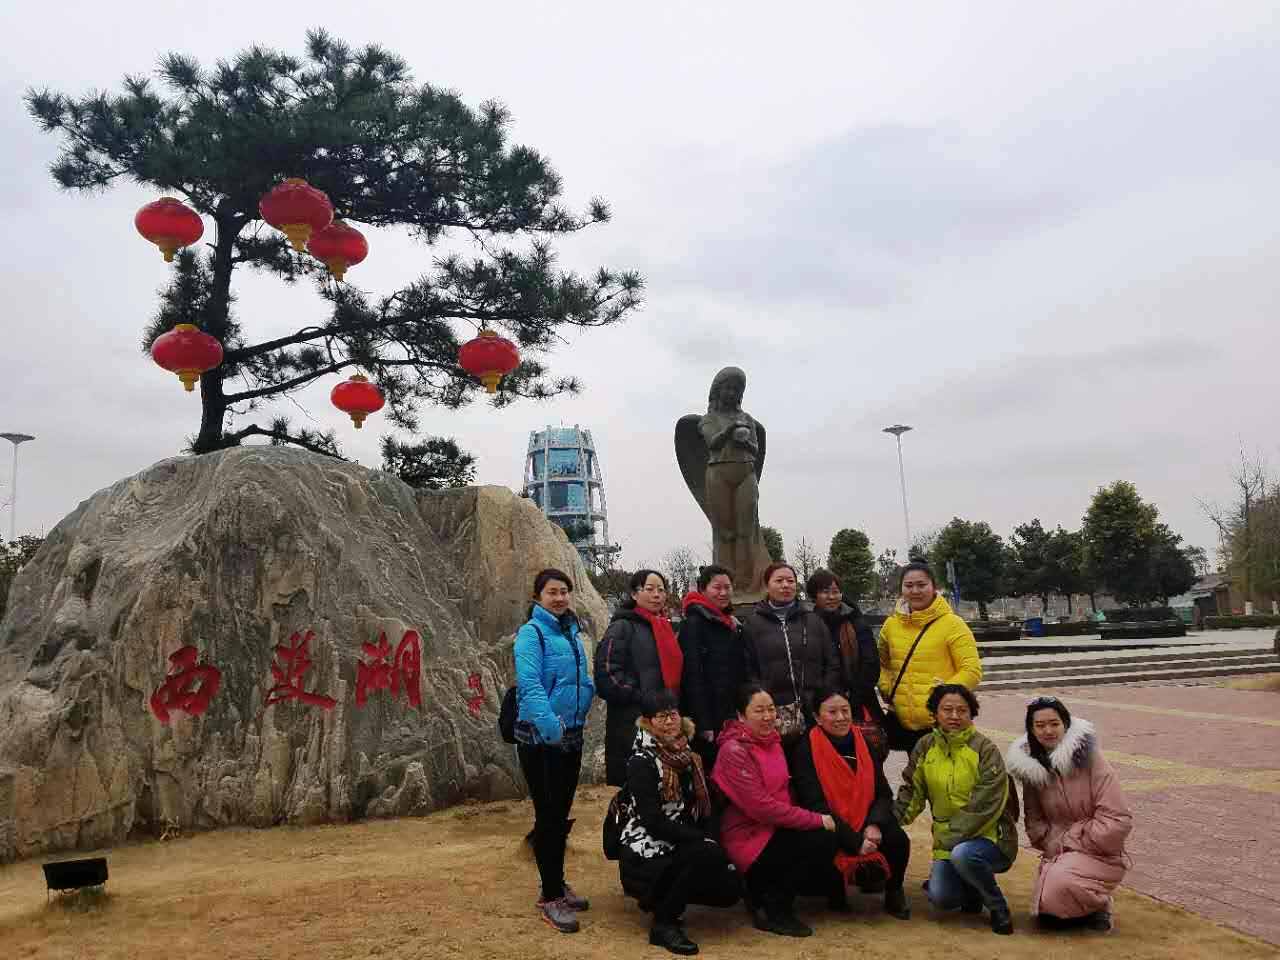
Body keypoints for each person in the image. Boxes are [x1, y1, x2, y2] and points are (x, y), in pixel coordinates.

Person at [712, 683, 842, 938]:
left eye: (771, 709)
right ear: (741, 716)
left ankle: (770, 893)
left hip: (776, 827)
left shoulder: (772, 741)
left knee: (825, 838)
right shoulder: (734, 750)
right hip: (749, 835)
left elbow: (783, 794)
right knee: (818, 836)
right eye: (759, 710)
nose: (768, 716)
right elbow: (761, 808)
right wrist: (814, 819)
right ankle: (771, 907)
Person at [617, 690, 741, 955]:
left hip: (681, 834)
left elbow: (703, 804)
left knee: (729, 883)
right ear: (648, 722)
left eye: (673, 714)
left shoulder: (687, 755)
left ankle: (662, 900)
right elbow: (652, 820)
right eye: (661, 716)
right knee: (702, 854)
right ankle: (664, 923)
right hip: (647, 843)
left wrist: (709, 837)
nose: (669, 721)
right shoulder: (641, 761)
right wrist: (699, 839)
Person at [894, 684, 1019, 936]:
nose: (954, 716)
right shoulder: (925, 746)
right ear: (935, 713)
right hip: (948, 842)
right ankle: (971, 888)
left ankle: (998, 907)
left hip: (990, 838)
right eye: (947, 709)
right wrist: (888, 823)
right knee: (942, 898)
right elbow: (911, 791)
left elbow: (985, 804)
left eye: (962, 710)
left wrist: (950, 838)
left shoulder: (985, 749)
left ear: (971, 713)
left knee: (964, 855)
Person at [513, 568, 596, 933]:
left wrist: (585, 702)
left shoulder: (571, 632)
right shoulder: (531, 634)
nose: (560, 598)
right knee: (548, 817)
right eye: (552, 592)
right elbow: (530, 686)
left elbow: (580, 679)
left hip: (571, 734)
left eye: (564, 591)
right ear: (538, 597)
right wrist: (551, 729)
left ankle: (557, 883)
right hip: (541, 739)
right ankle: (549, 897)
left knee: (560, 816)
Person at [1005, 696, 1132, 932]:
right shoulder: (1033, 769)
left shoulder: (1092, 760)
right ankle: (1081, 903)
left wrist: (1071, 841)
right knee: (1047, 909)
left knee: (1057, 888)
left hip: (1099, 850)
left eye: (1054, 724)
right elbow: (1034, 819)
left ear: (1066, 724)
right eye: (1040, 725)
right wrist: (1048, 841)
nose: (1048, 731)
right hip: (1057, 852)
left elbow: (1117, 818)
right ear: (1031, 730)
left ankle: (1100, 904)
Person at [789, 688, 911, 919]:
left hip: (865, 816)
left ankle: (894, 891)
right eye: (832, 712)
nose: (841, 717)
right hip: (830, 820)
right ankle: (834, 890)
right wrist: (855, 842)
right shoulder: (806, 749)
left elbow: (883, 793)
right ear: (817, 717)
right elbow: (814, 803)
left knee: (897, 839)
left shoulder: (864, 742)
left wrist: (873, 824)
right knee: (822, 840)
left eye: (845, 710)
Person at [878, 561, 982, 753]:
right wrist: (886, 685)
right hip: (904, 724)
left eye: (921, 585)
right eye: (909, 585)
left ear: (934, 587)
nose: (915, 591)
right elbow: (881, 663)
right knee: (915, 770)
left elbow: (971, 670)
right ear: (901, 589)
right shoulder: (890, 625)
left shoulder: (953, 624)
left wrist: (943, 694)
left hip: (942, 723)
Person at [596, 570, 683, 786]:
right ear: (635, 594)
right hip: (631, 721)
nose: (657, 595)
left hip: (663, 719)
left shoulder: (663, 627)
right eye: (649, 589)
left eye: (661, 590)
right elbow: (607, 675)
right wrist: (640, 697)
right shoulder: (622, 626)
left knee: (663, 785)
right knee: (636, 785)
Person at [742, 563, 839, 747]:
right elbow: (748, 670)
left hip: (814, 710)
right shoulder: (753, 625)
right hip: (773, 713)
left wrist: (823, 695)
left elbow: (832, 662)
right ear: (767, 586)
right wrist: (764, 701)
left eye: (790, 581)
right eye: (779, 581)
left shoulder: (813, 620)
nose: (785, 585)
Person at [679, 564, 744, 773]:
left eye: (727, 587)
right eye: (717, 587)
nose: (723, 593)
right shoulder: (693, 624)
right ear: (703, 589)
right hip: (708, 717)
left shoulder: (731, 624)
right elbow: (692, 676)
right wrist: (703, 722)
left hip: (730, 712)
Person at [806, 569, 884, 726]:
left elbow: (871, 663)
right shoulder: (808, 625)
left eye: (836, 592)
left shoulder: (856, 621)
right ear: (814, 596)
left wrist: (852, 699)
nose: (831, 597)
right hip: (822, 703)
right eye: (825, 592)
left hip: (858, 701)